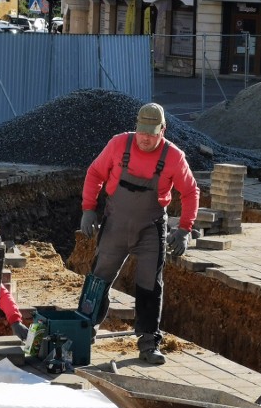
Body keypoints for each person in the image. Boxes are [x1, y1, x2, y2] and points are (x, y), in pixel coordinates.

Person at [79, 103, 199, 365]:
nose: (145, 138)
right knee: (98, 278)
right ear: (136, 127)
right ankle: (84, 330)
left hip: (150, 227)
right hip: (116, 224)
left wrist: (184, 229)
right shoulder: (118, 144)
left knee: (150, 285)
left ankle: (148, 343)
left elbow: (190, 192)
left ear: (163, 130)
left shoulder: (174, 157)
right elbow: (95, 173)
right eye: (142, 131)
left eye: (152, 133)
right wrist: (88, 209)